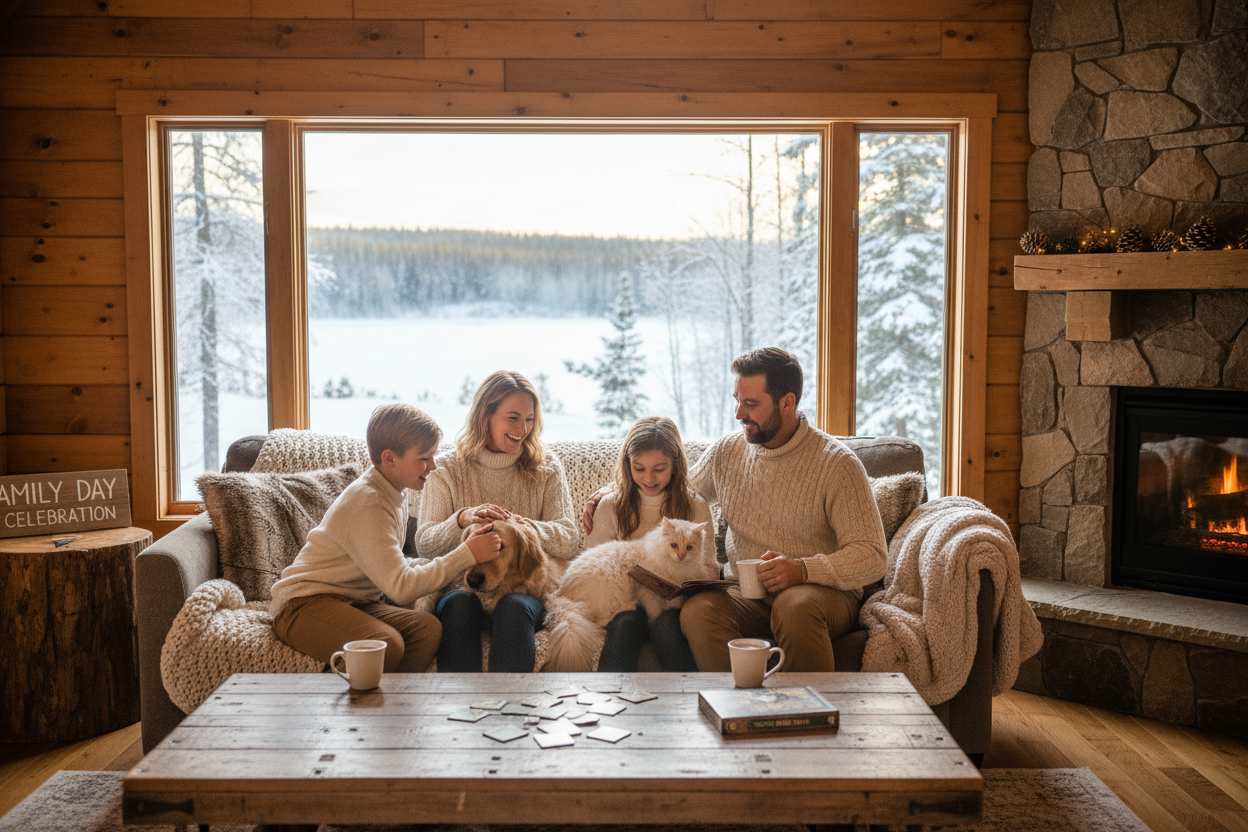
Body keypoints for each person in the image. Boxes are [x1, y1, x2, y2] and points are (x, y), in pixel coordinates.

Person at [585, 347, 887, 672]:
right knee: (697, 612)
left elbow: (873, 555)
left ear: (787, 403)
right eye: (737, 400)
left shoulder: (837, 464)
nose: (738, 413)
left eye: (750, 404)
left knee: (794, 605)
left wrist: (802, 570)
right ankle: (731, 701)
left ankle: (805, 704)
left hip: (819, 594)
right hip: (745, 593)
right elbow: (674, 487)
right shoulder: (728, 451)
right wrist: (615, 490)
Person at [270, 403, 502, 674]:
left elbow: (393, 564)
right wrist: (467, 554)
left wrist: (450, 559)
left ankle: (394, 700)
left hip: (354, 602)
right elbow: (400, 588)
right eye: (424, 458)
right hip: (302, 605)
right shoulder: (368, 502)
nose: (433, 466)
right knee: (385, 644)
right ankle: (338, 696)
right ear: (390, 458)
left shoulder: (394, 492)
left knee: (426, 629)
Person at [416, 370, 577, 672]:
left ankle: (512, 701)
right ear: (484, 416)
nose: (523, 429)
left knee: (513, 605)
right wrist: (461, 520)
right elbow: (424, 544)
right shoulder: (446, 470)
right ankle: (458, 701)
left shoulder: (547, 468)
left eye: (530, 419)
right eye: (513, 418)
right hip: (463, 589)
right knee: (460, 605)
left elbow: (569, 539)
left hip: (523, 593)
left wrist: (523, 528)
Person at [584, 416, 716, 672]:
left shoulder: (695, 506)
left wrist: (683, 582)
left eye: (660, 469)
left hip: (673, 605)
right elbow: (595, 563)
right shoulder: (610, 506)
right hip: (626, 601)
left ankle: (685, 695)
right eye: (639, 468)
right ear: (627, 465)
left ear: (675, 464)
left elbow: (710, 567)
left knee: (667, 626)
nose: (649, 478)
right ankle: (607, 695)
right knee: (625, 625)